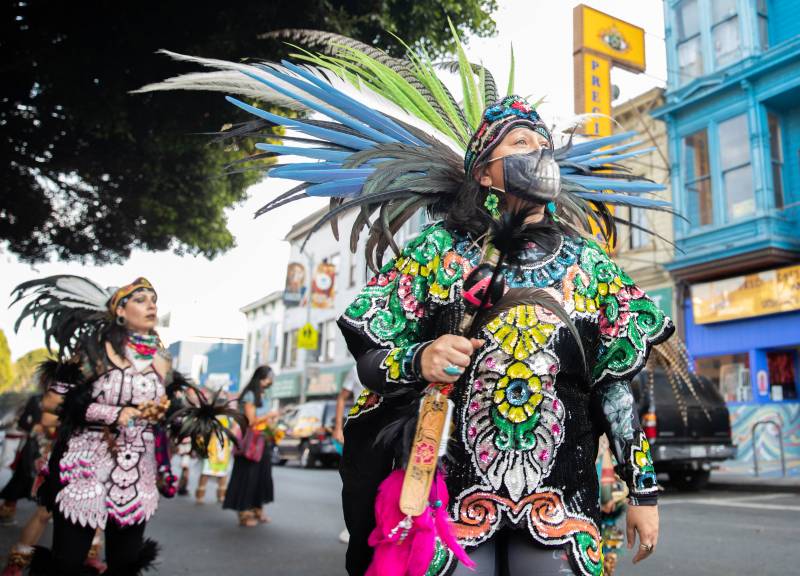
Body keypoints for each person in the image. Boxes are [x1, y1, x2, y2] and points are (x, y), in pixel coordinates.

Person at [141, 29, 675, 575]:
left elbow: (616, 386)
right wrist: (419, 359)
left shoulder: (589, 262)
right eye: (519, 144)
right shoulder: (435, 250)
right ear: (483, 169)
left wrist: (644, 493)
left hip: (562, 493)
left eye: (542, 145)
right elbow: (373, 356)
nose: (537, 153)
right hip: (448, 487)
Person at [11, 275, 235, 575]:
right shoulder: (95, 352)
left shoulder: (162, 359)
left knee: (125, 562)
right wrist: (115, 414)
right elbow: (56, 404)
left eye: (154, 300)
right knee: (67, 560)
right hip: (86, 465)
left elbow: (172, 407)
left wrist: (184, 420)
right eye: (141, 300)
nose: (151, 306)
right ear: (120, 310)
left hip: (135, 471)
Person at [223, 365, 276, 527]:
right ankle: (244, 512)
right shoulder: (250, 395)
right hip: (249, 442)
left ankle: (256, 508)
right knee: (248, 476)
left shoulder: (265, 395)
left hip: (263, 440)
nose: (272, 380)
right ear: (262, 378)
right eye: (270, 376)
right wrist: (270, 415)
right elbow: (251, 421)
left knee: (262, 476)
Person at [333, 367, 363, 545]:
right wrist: (338, 427)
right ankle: (353, 525)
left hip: (388, 429)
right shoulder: (356, 368)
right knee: (356, 479)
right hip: (360, 427)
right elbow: (342, 397)